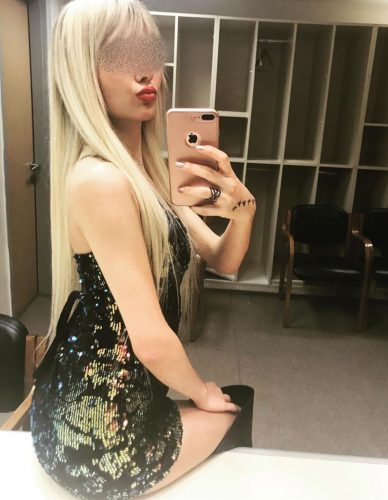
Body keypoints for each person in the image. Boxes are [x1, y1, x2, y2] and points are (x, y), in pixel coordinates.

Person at [30, 0, 256, 498]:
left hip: (105, 403)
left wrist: (244, 210)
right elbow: (149, 339)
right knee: (236, 404)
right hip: (101, 433)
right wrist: (200, 391)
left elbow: (224, 260)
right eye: (117, 56)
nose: (143, 70)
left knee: (224, 402)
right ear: (82, 73)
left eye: (148, 53)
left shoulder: (147, 174)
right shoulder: (101, 179)